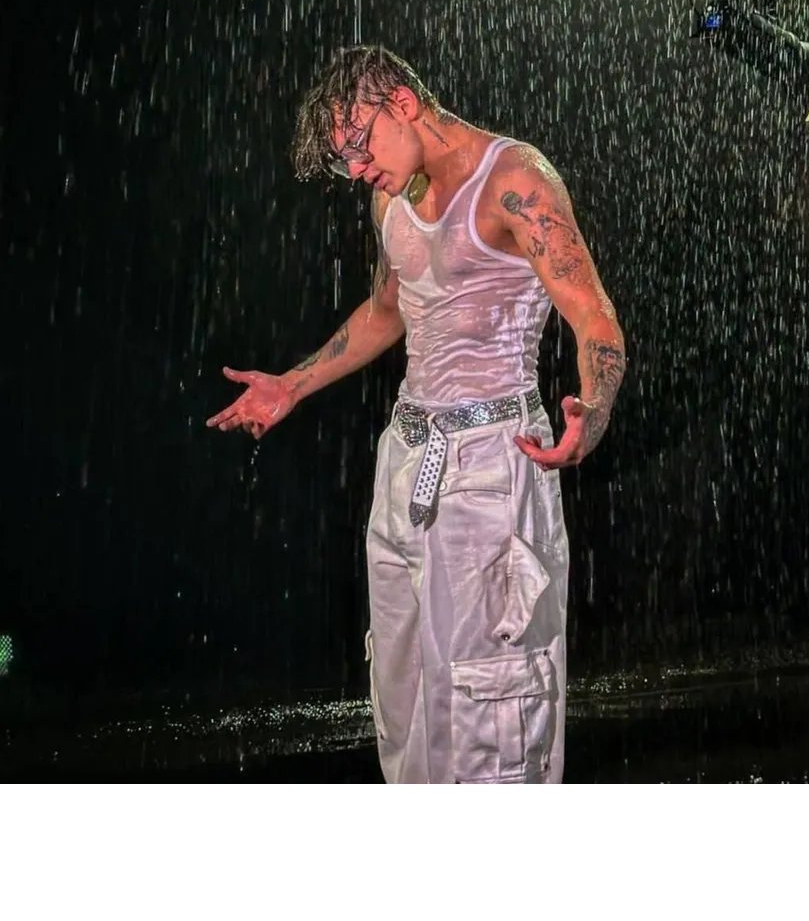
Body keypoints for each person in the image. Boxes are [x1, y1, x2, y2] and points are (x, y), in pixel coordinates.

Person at [206, 46, 626, 783]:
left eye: (359, 147)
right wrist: (292, 386)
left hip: (491, 467)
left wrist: (592, 412)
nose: (357, 171)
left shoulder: (514, 179)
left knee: (490, 707)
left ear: (402, 102)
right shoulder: (391, 198)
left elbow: (594, 316)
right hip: (406, 464)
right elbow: (387, 309)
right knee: (403, 699)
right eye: (346, 160)